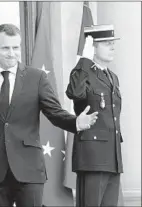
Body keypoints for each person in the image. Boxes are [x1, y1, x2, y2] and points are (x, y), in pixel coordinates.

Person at [0, 23, 98, 207]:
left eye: (16, 47)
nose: (12, 53)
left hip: (29, 169)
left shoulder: (37, 77)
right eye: (5, 48)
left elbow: (54, 112)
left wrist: (75, 123)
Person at [66, 24, 123, 207]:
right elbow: (75, 92)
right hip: (92, 158)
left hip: (112, 157)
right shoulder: (83, 73)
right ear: (93, 47)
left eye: (112, 43)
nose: (112, 47)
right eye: (106, 43)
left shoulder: (112, 77)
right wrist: (84, 60)